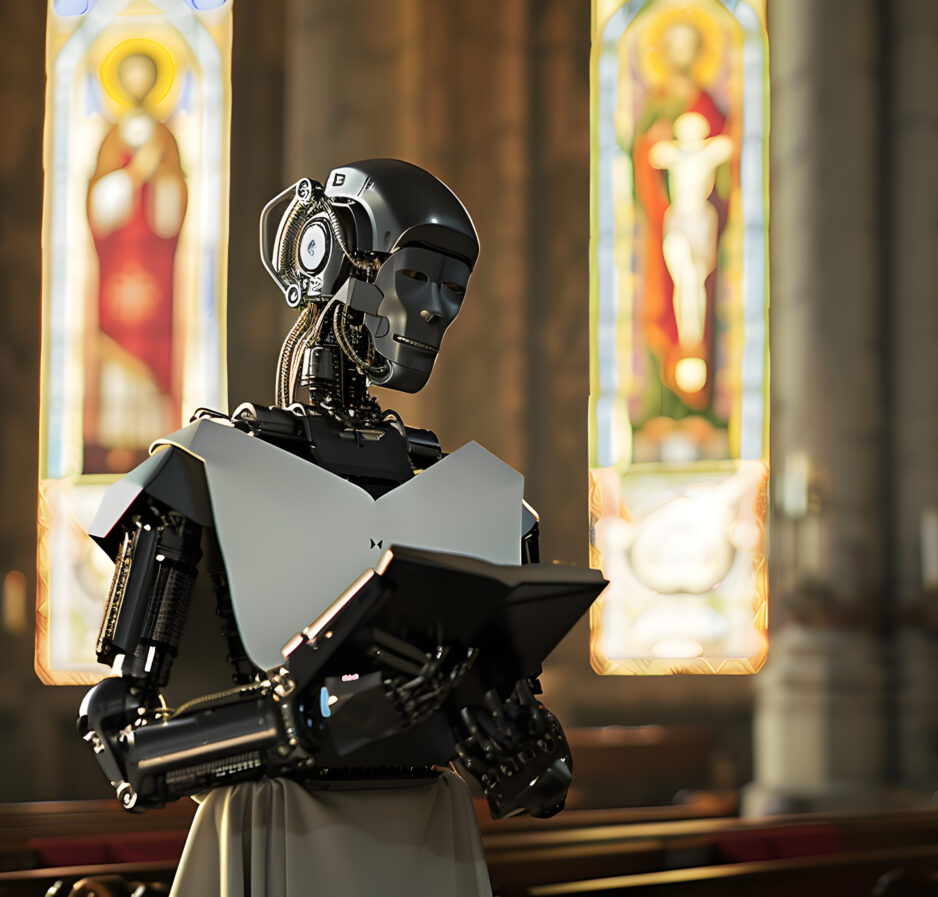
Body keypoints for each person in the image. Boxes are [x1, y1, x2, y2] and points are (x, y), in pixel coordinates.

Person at [76, 161, 598, 897]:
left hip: (430, 842)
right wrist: (298, 718)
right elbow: (122, 743)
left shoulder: (483, 501)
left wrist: (520, 750)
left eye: (454, 290)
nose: (437, 311)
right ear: (332, 254)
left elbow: (531, 756)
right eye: (418, 279)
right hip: (276, 837)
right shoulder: (202, 471)